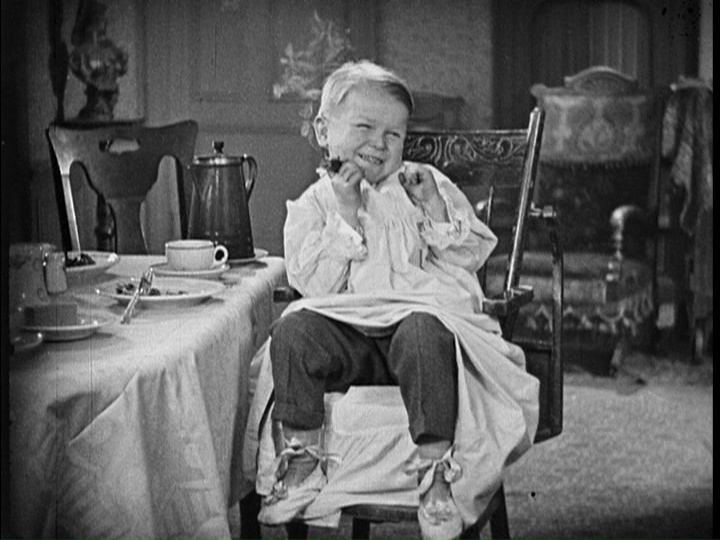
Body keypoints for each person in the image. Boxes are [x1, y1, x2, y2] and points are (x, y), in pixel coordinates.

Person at [245, 60, 539, 540]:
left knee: (423, 328)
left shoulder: (422, 185)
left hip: (417, 339)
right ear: (324, 131)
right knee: (294, 329)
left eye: (394, 134)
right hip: (349, 341)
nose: (380, 145)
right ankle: (302, 458)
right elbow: (314, 285)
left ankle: (435, 473)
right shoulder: (314, 204)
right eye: (364, 128)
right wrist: (346, 214)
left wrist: (434, 206)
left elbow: (469, 255)